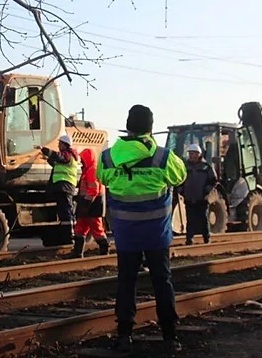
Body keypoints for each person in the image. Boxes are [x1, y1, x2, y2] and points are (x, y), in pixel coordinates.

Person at [96, 104, 187, 353]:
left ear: (128, 126)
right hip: (156, 235)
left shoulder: (107, 157)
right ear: (150, 128)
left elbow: (101, 178)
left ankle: (124, 335)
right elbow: (180, 177)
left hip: (126, 236)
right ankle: (170, 337)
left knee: (126, 281)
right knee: (162, 281)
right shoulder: (163, 157)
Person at [39, 135, 80, 242]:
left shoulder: (68, 155)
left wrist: (45, 150)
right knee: (64, 211)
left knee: (66, 211)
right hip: (63, 187)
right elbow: (56, 162)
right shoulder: (67, 156)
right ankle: (69, 234)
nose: (58, 145)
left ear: (65, 145)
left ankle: (70, 235)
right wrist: (47, 158)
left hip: (65, 186)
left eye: (60, 143)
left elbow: (59, 157)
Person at [72, 148, 110, 258]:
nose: (81, 162)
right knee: (80, 229)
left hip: (92, 205)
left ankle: (104, 250)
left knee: (96, 229)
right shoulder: (89, 170)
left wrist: (86, 204)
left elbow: (93, 190)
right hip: (88, 205)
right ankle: (77, 253)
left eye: (83, 159)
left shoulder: (92, 170)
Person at [178, 144, 217, 245]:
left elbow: (213, 181)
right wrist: (181, 190)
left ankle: (206, 239)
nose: (191, 155)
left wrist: (206, 191)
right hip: (189, 198)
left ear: (198, 154)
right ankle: (189, 240)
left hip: (202, 199)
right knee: (190, 220)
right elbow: (180, 180)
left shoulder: (206, 167)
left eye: (193, 153)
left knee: (203, 219)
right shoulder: (184, 167)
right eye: (190, 153)